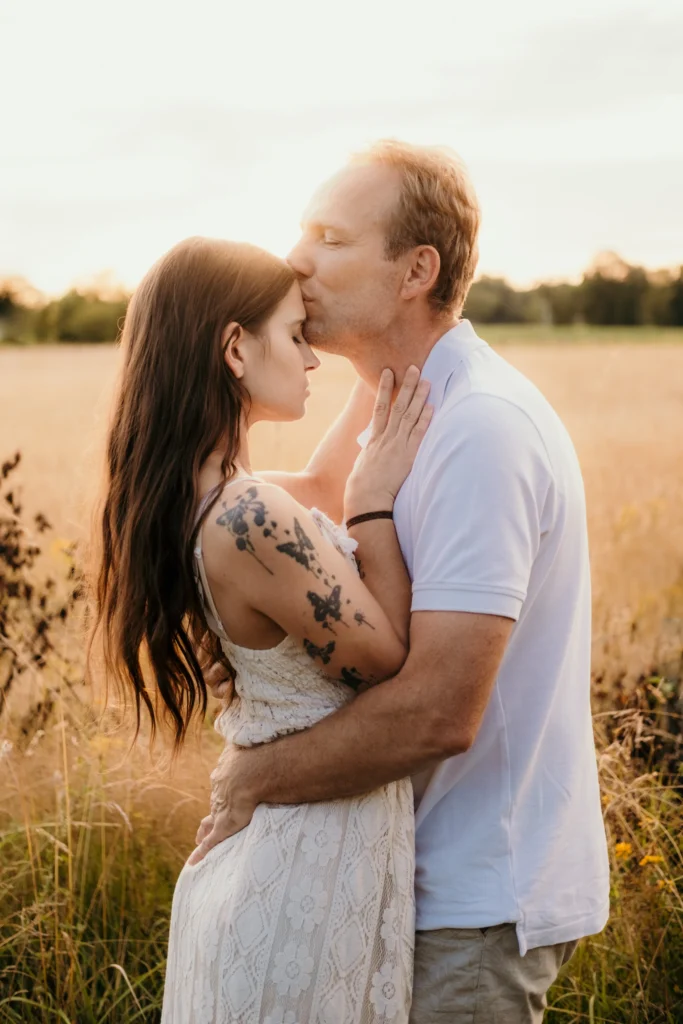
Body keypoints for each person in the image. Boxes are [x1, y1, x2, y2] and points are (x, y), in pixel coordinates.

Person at [197, 140, 611, 1023]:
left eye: (329, 237)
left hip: (470, 902)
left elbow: (438, 710)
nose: (295, 259)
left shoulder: (478, 430)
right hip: (397, 880)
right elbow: (307, 505)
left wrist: (254, 780)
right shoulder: (391, 389)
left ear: (415, 269)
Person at [92, 235, 435, 1023]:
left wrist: (381, 310)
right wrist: (374, 497)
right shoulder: (251, 515)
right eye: (293, 335)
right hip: (297, 883)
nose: (311, 359)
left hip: (289, 864)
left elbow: (322, 478)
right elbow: (386, 659)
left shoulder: (203, 496)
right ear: (234, 348)